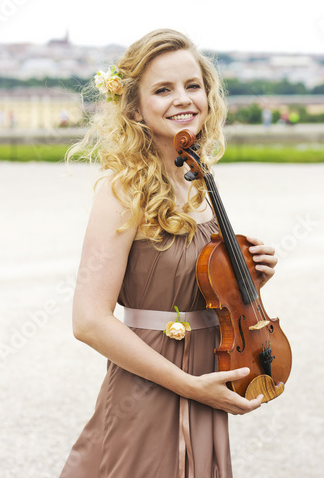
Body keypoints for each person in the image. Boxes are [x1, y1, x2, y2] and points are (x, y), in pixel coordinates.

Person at [59, 29, 277, 478]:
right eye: (163, 89)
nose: (183, 99)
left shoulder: (198, 180)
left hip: (209, 374)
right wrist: (190, 387)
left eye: (192, 85)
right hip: (153, 383)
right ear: (135, 107)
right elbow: (88, 321)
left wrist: (245, 279)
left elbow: (190, 283)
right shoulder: (122, 191)